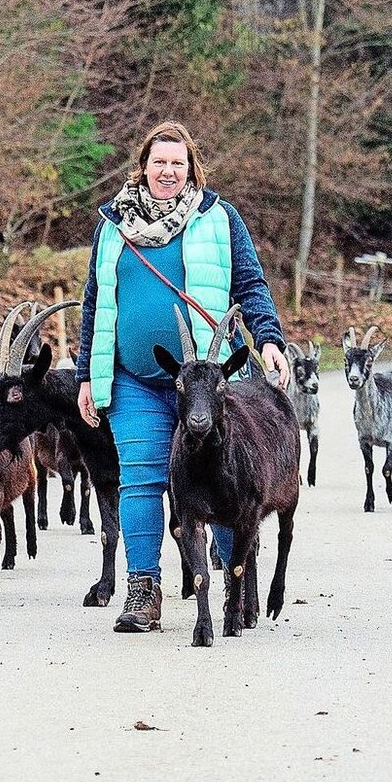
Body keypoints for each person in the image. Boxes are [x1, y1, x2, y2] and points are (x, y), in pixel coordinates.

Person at [75, 120, 290, 633]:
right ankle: (144, 592)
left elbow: (250, 284)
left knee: (227, 476)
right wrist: (87, 372)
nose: (167, 171)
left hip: (211, 385)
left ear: (192, 168)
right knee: (142, 478)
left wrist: (268, 340)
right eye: (158, 162)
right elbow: (95, 302)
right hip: (137, 378)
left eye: (178, 163)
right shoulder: (113, 227)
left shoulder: (219, 219)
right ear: (143, 167)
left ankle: (235, 580)